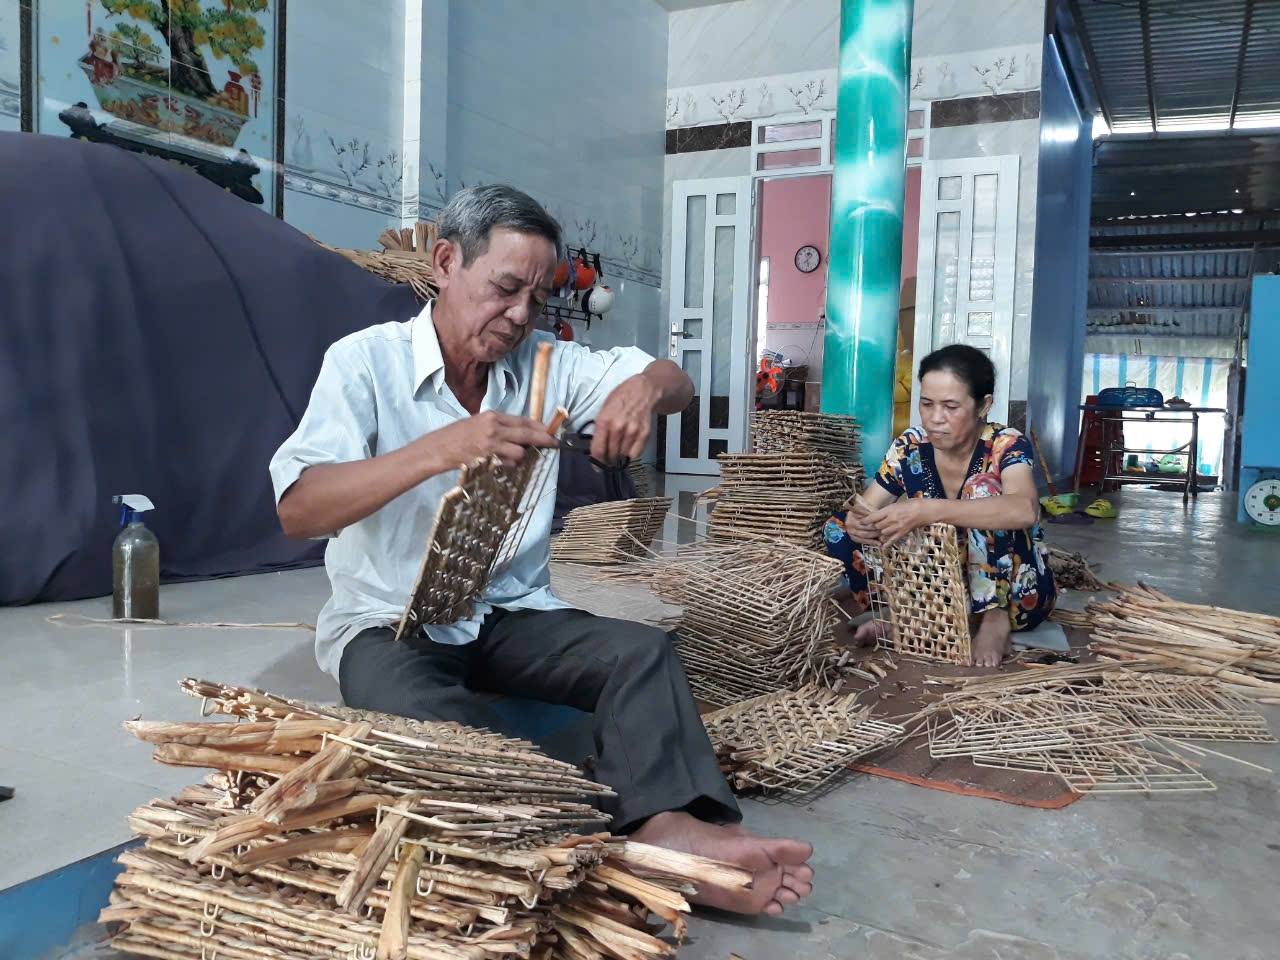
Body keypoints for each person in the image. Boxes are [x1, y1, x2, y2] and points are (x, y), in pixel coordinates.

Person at [269, 185, 814, 916]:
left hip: (507, 613)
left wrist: (642, 391)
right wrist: (439, 449)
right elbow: (299, 508)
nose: (522, 313)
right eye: (504, 288)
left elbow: (676, 383)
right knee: (415, 710)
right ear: (444, 263)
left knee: (640, 654)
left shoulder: (547, 364)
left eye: (538, 293)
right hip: (388, 621)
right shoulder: (365, 364)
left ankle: (670, 828)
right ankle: (592, 849)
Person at [824, 344, 1057, 668]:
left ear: (983, 405)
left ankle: (993, 621)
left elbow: (1024, 509)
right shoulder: (909, 447)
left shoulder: (1005, 443)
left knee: (983, 489)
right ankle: (911, 615)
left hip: (1018, 593)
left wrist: (928, 510)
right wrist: (857, 522)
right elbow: (866, 506)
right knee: (837, 528)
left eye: (950, 406)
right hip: (938, 592)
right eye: (927, 403)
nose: (936, 418)